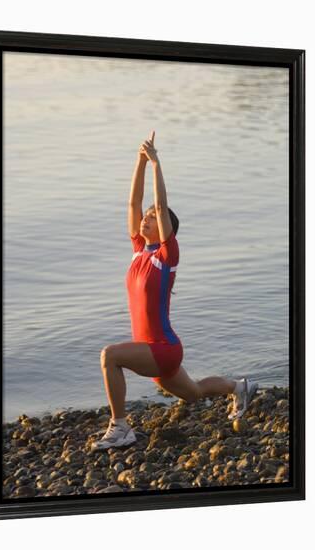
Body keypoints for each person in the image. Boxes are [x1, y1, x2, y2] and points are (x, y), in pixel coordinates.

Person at [91, 131, 258, 451]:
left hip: (163, 348)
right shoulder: (139, 251)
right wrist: (139, 162)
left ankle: (121, 427)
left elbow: (162, 203)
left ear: (166, 226)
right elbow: (133, 202)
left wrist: (156, 164)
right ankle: (240, 387)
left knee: (109, 356)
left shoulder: (166, 257)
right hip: (155, 351)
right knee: (194, 392)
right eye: (148, 216)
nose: (146, 219)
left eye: (153, 218)